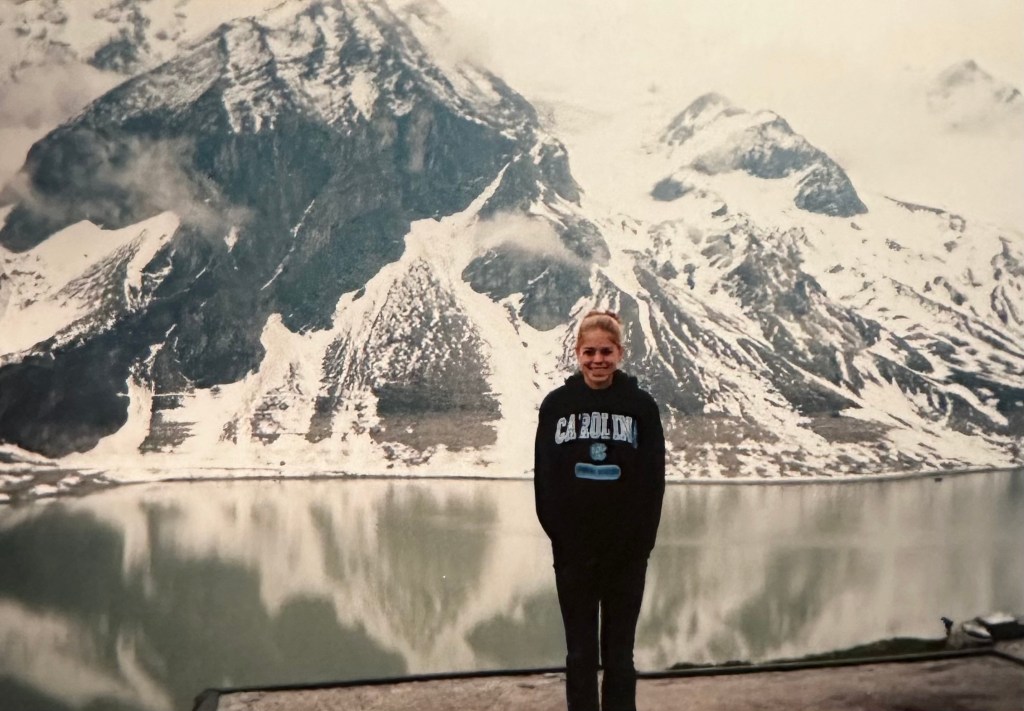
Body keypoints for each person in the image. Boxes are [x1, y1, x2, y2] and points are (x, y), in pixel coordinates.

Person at [534, 309, 666, 711]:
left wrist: (640, 545)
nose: (597, 360)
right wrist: (562, 538)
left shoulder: (640, 407)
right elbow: (546, 479)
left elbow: (652, 482)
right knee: (579, 656)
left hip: (625, 557)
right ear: (577, 353)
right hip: (574, 556)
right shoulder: (557, 406)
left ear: (619, 353)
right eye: (589, 351)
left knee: (620, 657)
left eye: (606, 351)